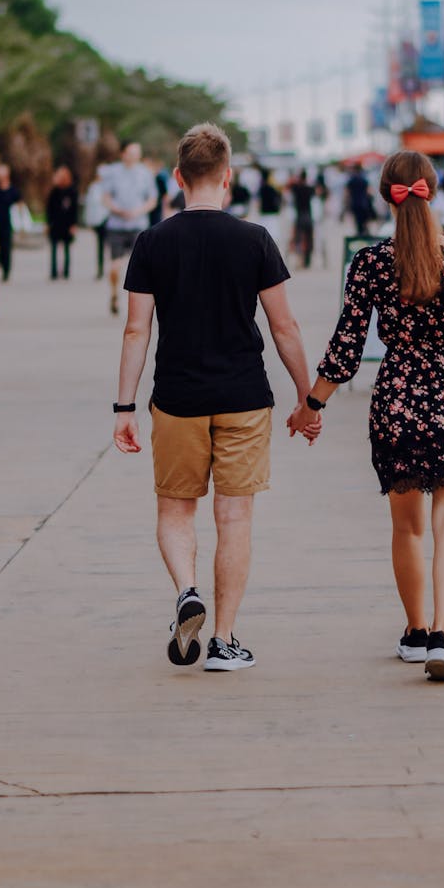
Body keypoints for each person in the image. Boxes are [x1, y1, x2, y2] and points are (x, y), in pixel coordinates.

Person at [289, 150, 444, 682]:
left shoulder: (372, 262)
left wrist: (311, 405)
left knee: (407, 527)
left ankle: (416, 632)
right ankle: (442, 634)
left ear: (386, 195)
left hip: (396, 400)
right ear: (433, 190)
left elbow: (346, 349)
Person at [113, 122, 318, 672]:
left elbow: (137, 331)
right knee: (235, 518)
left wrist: (124, 407)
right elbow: (285, 327)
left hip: (176, 397)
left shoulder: (152, 241)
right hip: (244, 396)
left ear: (178, 176)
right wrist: (307, 399)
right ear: (227, 178)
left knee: (176, 510)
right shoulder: (254, 239)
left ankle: (186, 591)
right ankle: (224, 640)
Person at [102, 141, 157, 315]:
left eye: (137, 152)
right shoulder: (112, 172)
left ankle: (142, 304)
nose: (134, 156)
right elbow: (105, 197)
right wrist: (117, 209)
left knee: (142, 267)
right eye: (131, 152)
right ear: (123, 153)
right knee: (115, 267)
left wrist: (138, 211)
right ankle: (113, 295)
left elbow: (152, 199)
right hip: (117, 225)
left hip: (138, 226)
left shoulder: (145, 173)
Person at [0, 164, 22, 282]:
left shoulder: (12, 190)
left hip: (7, 222)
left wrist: (20, 219)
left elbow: (19, 203)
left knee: (6, 246)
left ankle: (6, 270)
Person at [46, 166, 79, 280]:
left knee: (66, 249)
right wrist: (48, 223)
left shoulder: (72, 191)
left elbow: (74, 209)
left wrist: (74, 224)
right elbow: (49, 208)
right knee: (54, 248)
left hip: (67, 224)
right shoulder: (54, 191)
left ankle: (66, 271)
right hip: (55, 223)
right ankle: (54, 272)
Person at [84, 165, 109, 279]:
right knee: (100, 246)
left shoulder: (109, 187)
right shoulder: (94, 187)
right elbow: (90, 205)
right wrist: (89, 221)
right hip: (99, 221)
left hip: (109, 219)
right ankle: (100, 269)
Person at [289, 169, 315, 268]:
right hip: (308, 216)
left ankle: (299, 260)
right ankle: (307, 261)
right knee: (309, 239)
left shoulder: (296, 188)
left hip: (299, 216)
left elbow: (289, 185)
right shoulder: (309, 188)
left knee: (298, 239)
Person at [346, 163, 374, 236]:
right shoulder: (364, 179)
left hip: (354, 203)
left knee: (357, 220)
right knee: (364, 219)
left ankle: (359, 233)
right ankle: (365, 232)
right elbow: (369, 192)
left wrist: (347, 202)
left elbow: (347, 193)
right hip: (364, 202)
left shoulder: (351, 180)